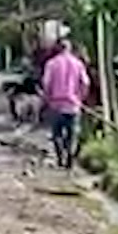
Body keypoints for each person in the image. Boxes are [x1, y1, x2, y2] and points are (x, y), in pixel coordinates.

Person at [39, 37, 89, 170]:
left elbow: (46, 83)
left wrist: (47, 98)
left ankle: (60, 157)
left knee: (57, 134)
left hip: (56, 105)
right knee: (72, 134)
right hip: (73, 105)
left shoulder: (51, 64)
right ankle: (70, 160)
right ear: (70, 49)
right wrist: (80, 98)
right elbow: (85, 83)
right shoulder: (78, 64)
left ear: (58, 49)